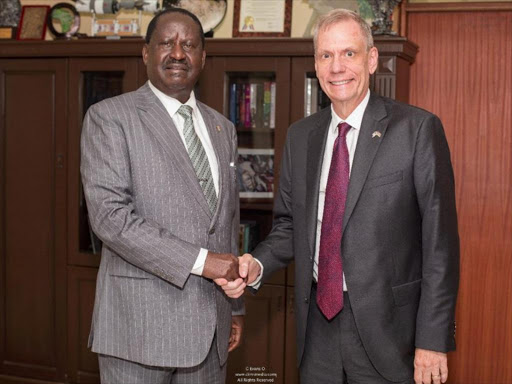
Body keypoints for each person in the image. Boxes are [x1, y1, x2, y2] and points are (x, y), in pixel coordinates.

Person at [219, 9, 459, 384]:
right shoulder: (301, 137)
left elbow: (440, 246)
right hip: (317, 330)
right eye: (326, 55)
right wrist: (257, 263)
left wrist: (432, 339)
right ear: (315, 63)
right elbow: (288, 226)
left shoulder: (417, 130)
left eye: (349, 53)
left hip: (391, 334)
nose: (337, 67)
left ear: (372, 59)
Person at [81, 8, 243, 384]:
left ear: (203, 57)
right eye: (166, 43)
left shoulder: (223, 127)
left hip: (211, 331)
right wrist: (204, 262)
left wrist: (235, 307)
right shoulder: (110, 118)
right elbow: (110, 217)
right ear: (146, 53)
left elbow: (227, 220)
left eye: (189, 45)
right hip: (139, 330)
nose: (178, 53)